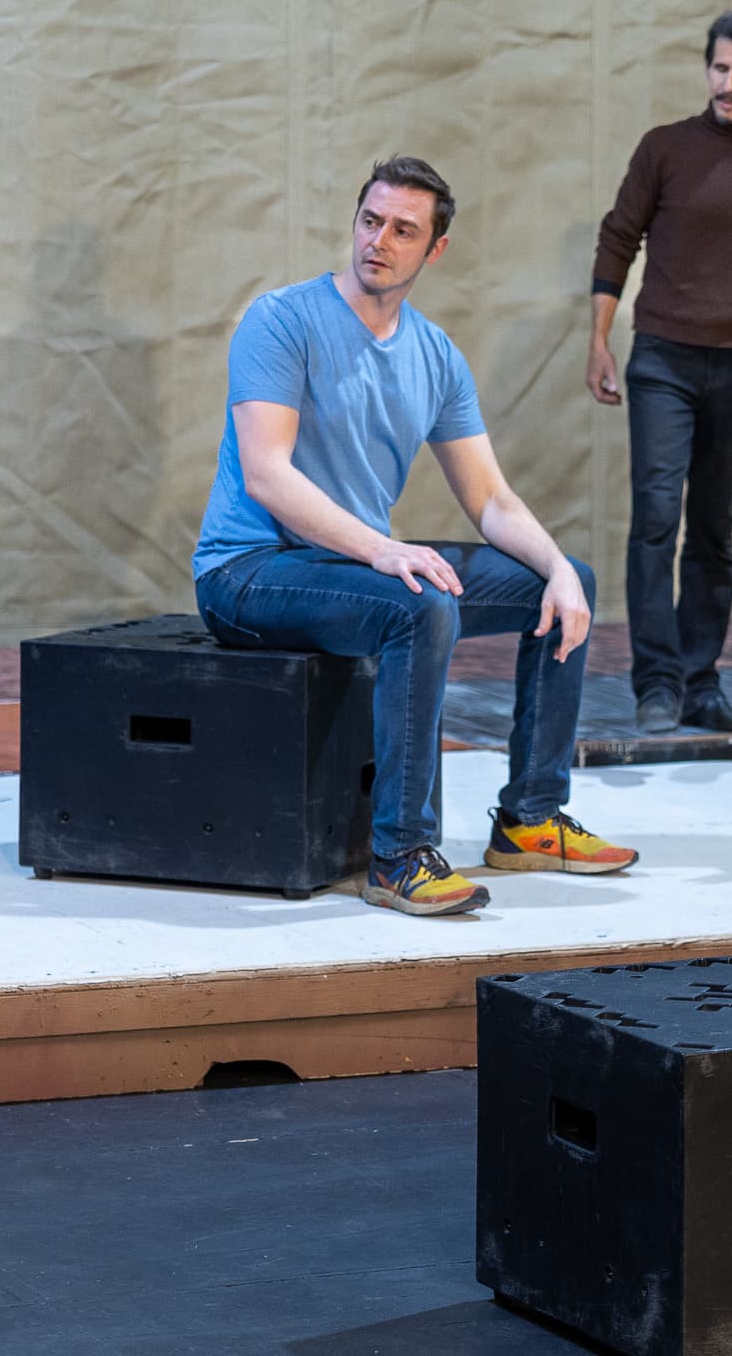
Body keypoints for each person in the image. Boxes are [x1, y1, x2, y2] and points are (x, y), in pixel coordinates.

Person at [194, 156, 638, 918]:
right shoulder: (282, 320)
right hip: (251, 571)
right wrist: (381, 547)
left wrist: (557, 565)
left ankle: (529, 818)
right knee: (419, 604)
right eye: (371, 221)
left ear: (433, 250)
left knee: (566, 586)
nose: (380, 241)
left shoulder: (434, 356)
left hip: (351, 565)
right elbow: (267, 474)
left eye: (403, 230)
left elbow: (490, 498)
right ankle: (399, 856)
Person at [588, 9, 732, 735]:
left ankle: (701, 683)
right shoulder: (665, 148)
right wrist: (598, 339)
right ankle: (655, 683)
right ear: (708, 68)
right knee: (657, 519)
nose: (728, 82)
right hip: (663, 359)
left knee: (714, 529)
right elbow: (618, 238)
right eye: (719, 67)